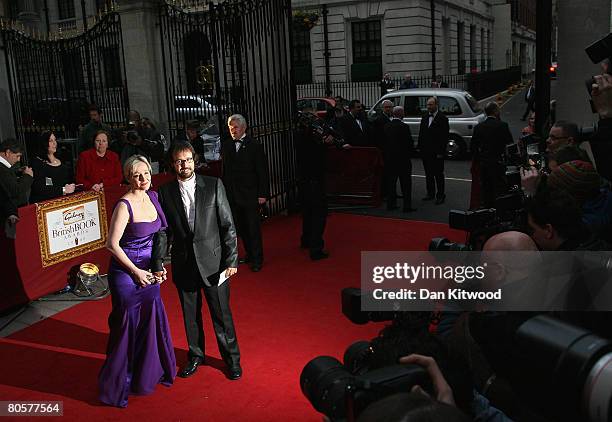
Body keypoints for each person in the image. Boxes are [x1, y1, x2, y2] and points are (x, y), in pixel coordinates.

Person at [158, 141, 242, 380]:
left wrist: (232, 261)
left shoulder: (214, 185)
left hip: (215, 264)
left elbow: (228, 226)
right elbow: (164, 231)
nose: (184, 164)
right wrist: (158, 262)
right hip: (184, 264)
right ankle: (196, 355)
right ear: (173, 164)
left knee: (222, 316)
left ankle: (232, 360)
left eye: (188, 159)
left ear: (194, 160)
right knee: (190, 316)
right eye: (179, 161)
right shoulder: (165, 192)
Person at [98, 154, 176, 407]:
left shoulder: (153, 197)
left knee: (150, 323)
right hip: (125, 274)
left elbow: (160, 235)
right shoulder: (124, 204)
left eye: (146, 174)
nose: (143, 179)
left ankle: (145, 377)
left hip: (149, 273)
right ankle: (118, 384)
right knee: (126, 328)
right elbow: (111, 245)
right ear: (128, 178)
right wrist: (136, 272)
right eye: (137, 175)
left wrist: (159, 266)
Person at [221, 114, 269, 272]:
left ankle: (257, 258)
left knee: (253, 228)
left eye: (235, 127)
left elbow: (262, 171)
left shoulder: (255, 145)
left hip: (250, 194)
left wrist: (262, 194)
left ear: (244, 128)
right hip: (233, 195)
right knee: (241, 228)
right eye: (230, 127)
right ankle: (249, 253)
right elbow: (225, 171)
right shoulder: (227, 146)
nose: (232, 130)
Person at [296, 107, 333, 260]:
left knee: (307, 211)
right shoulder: (314, 138)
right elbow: (318, 156)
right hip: (315, 179)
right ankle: (316, 247)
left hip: (303, 178)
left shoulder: (298, 135)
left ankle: (306, 239)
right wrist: (325, 143)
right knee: (319, 213)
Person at [470, 102, 514, 208]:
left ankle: (487, 208)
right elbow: (509, 143)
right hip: (498, 162)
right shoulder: (502, 125)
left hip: (484, 163)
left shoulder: (479, 127)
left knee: (486, 188)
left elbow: (473, 147)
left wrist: (478, 160)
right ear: (495, 111)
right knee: (499, 188)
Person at [383, 106, 416, 212]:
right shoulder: (404, 127)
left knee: (391, 183)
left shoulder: (387, 126)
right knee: (406, 184)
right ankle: (407, 206)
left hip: (390, 159)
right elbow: (409, 143)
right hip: (403, 160)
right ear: (401, 114)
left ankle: (391, 204)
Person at [418, 97, 449, 205]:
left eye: (430, 105)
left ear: (436, 105)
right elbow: (421, 134)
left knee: (438, 174)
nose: (428, 107)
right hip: (426, 152)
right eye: (427, 105)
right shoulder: (425, 117)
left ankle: (440, 195)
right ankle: (430, 193)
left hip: (437, 153)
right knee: (428, 174)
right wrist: (420, 148)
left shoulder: (443, 118)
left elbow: (444, 137)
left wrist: (441, 152)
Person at [29, 132, 75, 203]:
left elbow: (68, 179)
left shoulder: (62, 158)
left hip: (64, 201)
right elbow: (40, 188)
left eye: (55, 140)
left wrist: (69, 186)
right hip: (46, 205)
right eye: (50, 141)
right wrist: (63, 190)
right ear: (44, 143)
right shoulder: (37, 163)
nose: (54, 143)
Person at [0, 138, 33, 207]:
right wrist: (27, 176)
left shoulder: (4, 167)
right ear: (8, 152)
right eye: (17, 156)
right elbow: (16, 191)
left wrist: (19, 172)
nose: (18, 160)